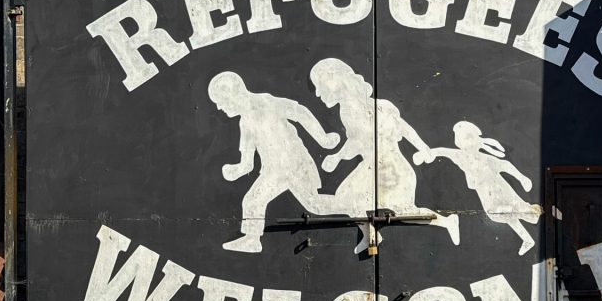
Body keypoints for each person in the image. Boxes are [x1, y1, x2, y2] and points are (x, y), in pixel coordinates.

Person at [310, 58, 460, 247]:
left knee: (403, 211)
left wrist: (423, 147)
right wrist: (337, 157)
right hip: (370, 168)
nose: (318, 93)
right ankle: (370, 236)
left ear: (336, 79)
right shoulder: (346, 113)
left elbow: (404, 128)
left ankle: (447, 222)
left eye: (321, 84)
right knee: (347, 199)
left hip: (392, 168)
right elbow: (356, 142)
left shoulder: (381, 106)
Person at [208, 71, 339, 253]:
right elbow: (248, 163)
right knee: (255, 201)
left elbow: (299, 112)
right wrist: (235, 170)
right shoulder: (245, 123)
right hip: (275, 170)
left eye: (221, 102)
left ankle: (352, 206)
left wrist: (323, 139)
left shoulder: (267, 102)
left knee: (313, 205)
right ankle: (252, 240)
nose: (219, 107)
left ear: (235, 94)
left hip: (295, 164)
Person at [417, 120, 540, 255]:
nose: (467, 142)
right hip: (483, 192)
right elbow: (443, 151)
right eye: (462, 138)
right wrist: (426, 153)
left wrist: (522, 178)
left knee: (507, 210)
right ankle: (527, 236)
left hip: (499, 188)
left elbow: (505, 165)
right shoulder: (460, 156)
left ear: (476, 139)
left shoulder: (485, 158)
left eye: (469, 138)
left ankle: (530, 212)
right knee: (498, 215)